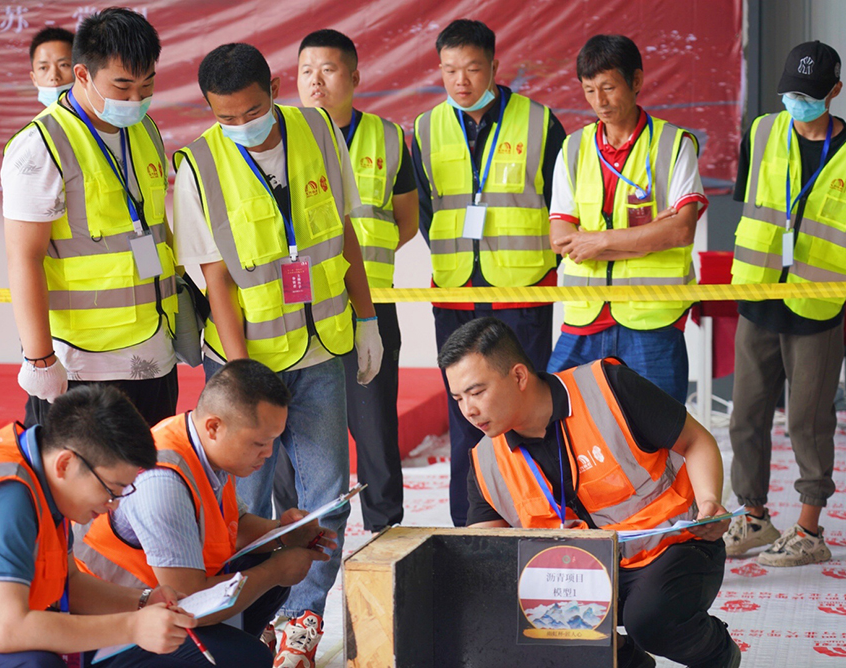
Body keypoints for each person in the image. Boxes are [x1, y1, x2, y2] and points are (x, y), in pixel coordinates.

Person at [171, 43, 382, 668]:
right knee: (241, 504)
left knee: (327, 497)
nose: (242, 125)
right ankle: (247, 621)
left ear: (275, 89)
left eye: (253, 111)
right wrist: (241, 376)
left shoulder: (318, 130)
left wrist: (367, 317)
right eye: (226, 117)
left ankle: (302, 619)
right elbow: (216, 281)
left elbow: (344, 231)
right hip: (246, 362)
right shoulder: (199, 164)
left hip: (320, 352)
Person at [440, 317, 741, 668]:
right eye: (458, 398)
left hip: (672, 549)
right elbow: (488, 561)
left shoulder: (607, 389)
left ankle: (718, 654)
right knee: (522, 617)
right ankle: (626, 661)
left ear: (519, 376)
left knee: (649, 618)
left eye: (477, 392)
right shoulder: (486, 463)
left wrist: (709, 502)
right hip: (581, 577)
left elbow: (696, 441)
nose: (468, 410)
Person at [0, 385, 206, 667]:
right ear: (65, 464)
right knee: (35, 664)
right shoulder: (4, 499)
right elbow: (10, 631)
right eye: (110, 489)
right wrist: (132, 627)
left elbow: (69, 583)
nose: (113, 504)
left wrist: (142, 601)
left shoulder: (44, 476)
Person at [725, 41, 846, 567]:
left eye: (810, 94)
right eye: (791, 92)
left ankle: (809, 531)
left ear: (835, 91)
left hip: (816, 307)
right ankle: (753, 517)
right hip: (759, 294)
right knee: (745, 416)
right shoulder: (761, 133)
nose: (797, 102)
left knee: (808, 421)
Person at [76, 360, 336, 667]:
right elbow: (191, 602)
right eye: (260, 443)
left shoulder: (205, 446)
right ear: (214, 427)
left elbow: (232, 526)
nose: (268, 454)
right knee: (249, 657)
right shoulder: (163, 481)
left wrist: (282, 532)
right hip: (112, 623)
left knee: (268, 567)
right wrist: (275, 571)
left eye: (272, 441)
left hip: (162, 599)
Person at [412, 19, 566, 527]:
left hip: (521, 291)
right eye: (449, 70)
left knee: (527, 412)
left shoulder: (540, 123)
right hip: (455, 292)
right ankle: (470, 527)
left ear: (495, 67)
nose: (461, 81)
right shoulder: (426, 127)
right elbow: (427, 210)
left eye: (473, 69)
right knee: (466, 418)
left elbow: (561, 206)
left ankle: (539, 518)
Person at [3, 7, 179, 429]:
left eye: (147, 84)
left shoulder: (145, 130)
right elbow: (24, 257)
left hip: (153, 353)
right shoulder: (41, 146)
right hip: (82, 363)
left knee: (147, 468)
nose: (136, 100)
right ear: (82, 74)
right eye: (122, 86)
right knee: (83, 470)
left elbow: (157, 229)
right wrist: (40, 358)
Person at [292, 28, 418, 532]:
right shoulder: (281, 138)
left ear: (355, 76)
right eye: (306, 71)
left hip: (371, 307)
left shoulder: (388, 137)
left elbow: (406, 220)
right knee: (294, 429)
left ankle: (386, 533)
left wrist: (359, 270)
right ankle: (295, 534)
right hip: (301, 309)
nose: (315, 81)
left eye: (327, 69)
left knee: (375, 428)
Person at [547, 34, 707, 405]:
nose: (599, 102)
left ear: (636, 81)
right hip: (585, 315)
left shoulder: (674, 144)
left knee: (659, 426)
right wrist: (649, 236)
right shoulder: (573, 148)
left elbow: (682, 230)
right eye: (589, 91)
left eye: (608, 88)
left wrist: (598, 241)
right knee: (556, 415)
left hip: (652, 318)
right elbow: (561, 238)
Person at [28, 26, 75, 107]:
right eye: (43, 68)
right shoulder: (40, 116)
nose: (54, 76)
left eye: (63, 65)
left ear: (81, 72)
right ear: (34, 79)